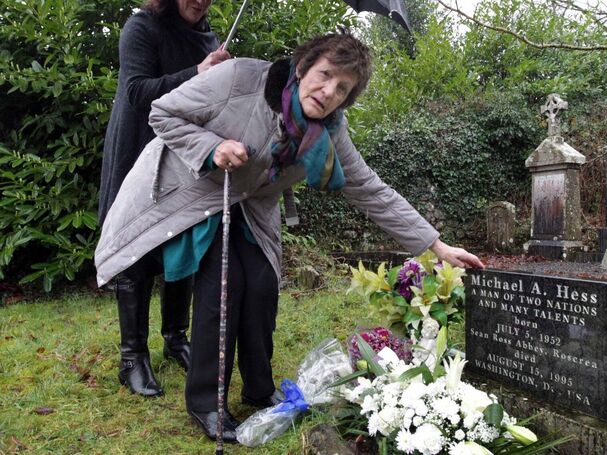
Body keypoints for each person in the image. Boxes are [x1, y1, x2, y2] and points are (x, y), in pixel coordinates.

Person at [94, 31, 484, 442]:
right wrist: (212, 147)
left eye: (343, 88)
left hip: (253, 206)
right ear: (301, 68)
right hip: (199, 190)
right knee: (223, 287)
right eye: (325, 75)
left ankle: (259, 389)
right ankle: (207, 403)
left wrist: (435, 245)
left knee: (262, 285)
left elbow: (371, 189)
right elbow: (162, 112)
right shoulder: (237, 78)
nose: (329, 92)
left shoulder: (329, 133)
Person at [97, 0, 230, 397]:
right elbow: (136, 92)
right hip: (137, 149)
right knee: (135, 248)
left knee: (182, 242)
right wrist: (197, 73)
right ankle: (132, 357)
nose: (200, 0)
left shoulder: (209, 37)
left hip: (182, 156)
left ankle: (175, 338)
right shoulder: (142, 27)